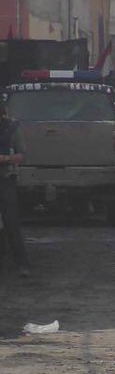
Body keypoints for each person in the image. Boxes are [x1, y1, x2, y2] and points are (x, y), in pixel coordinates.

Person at [0, 100, 30, 278]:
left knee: (11, 223)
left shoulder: (11, 128)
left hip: (5, 179)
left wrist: (4, 159)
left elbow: (22, 155)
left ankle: (22, 263)